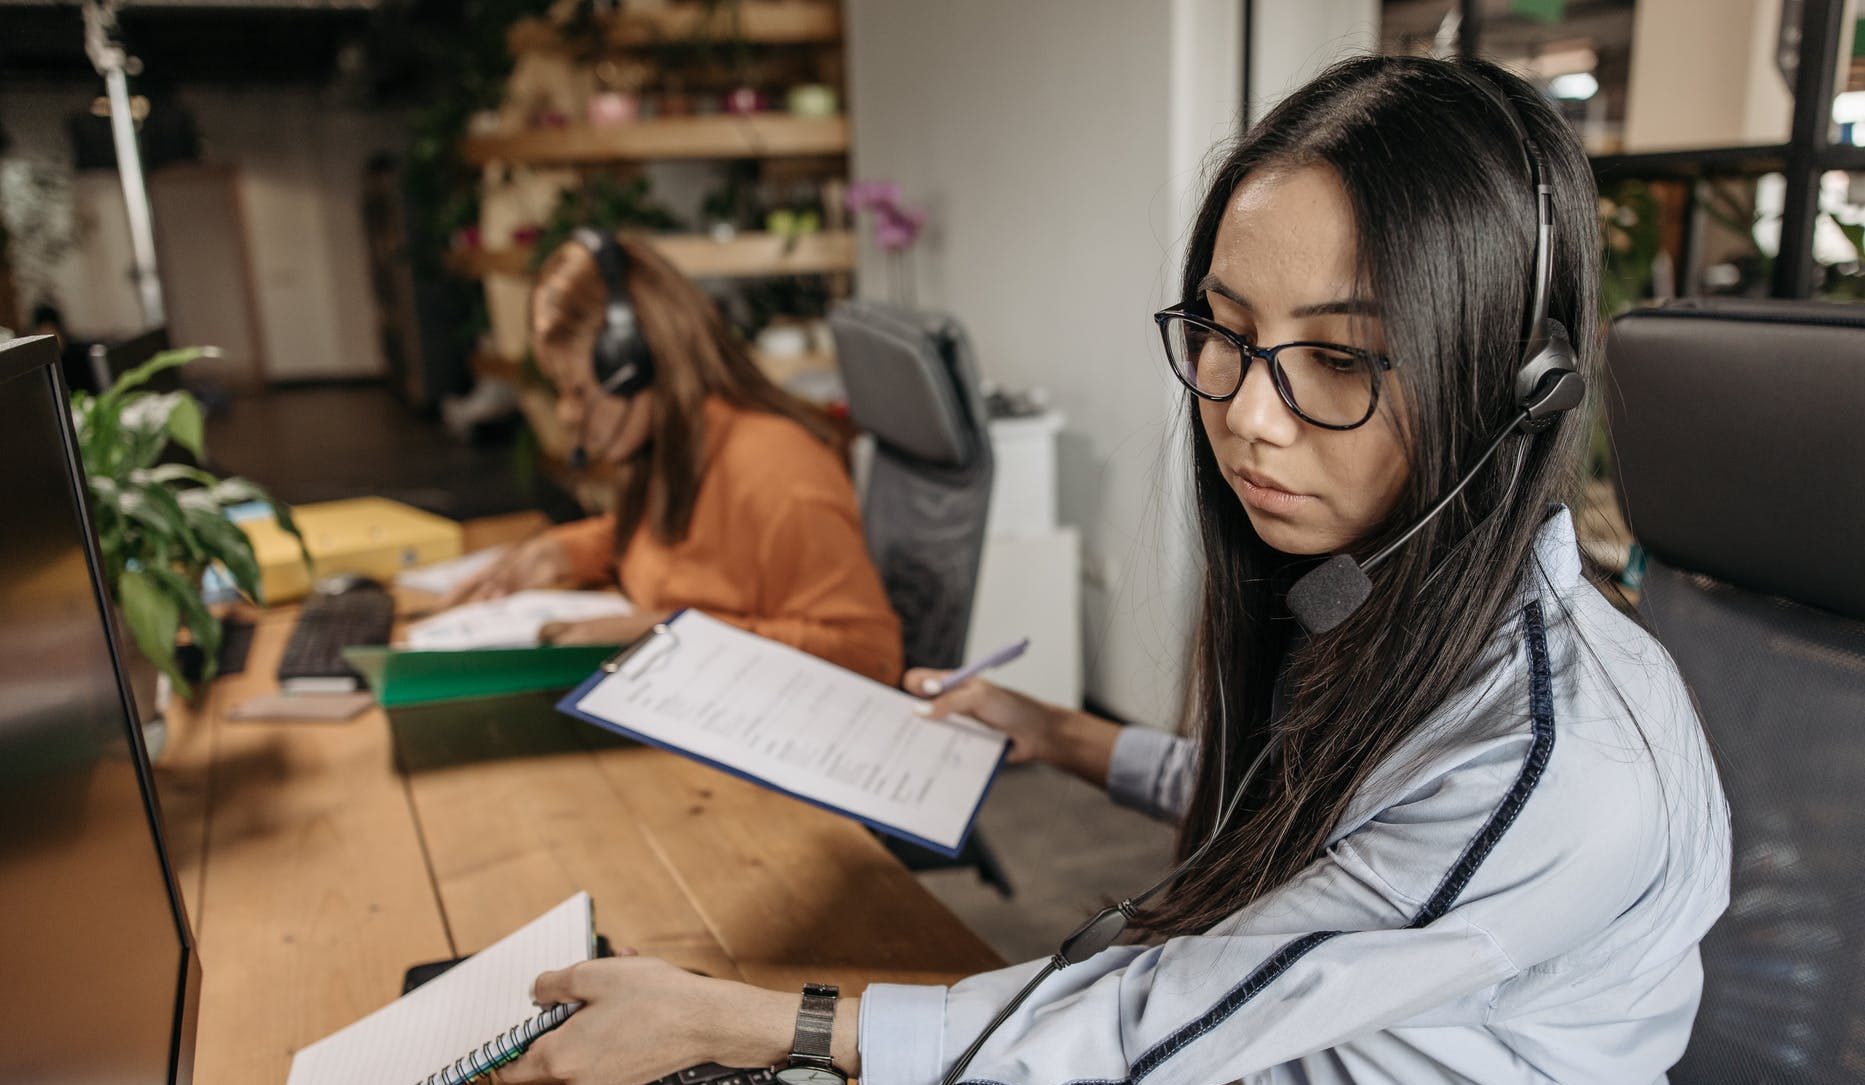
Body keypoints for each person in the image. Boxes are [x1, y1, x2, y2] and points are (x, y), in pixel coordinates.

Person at [497, 56, 1730, 1085]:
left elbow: (1175, 1012)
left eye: (1342, 360)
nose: (1247, 414)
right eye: (1227, 333)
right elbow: (1311, 820)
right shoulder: (1382, 584)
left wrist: (766, 1021)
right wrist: (1072, 738)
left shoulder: (1556, 760)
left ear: (1513, 393)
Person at [445, 232, 902, 686]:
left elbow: (869, 655)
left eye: (579, 390)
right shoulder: (674, 449)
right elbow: (664, 541)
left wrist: (667, 631)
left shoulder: (778, 470)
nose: (565, 414)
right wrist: (557, 554)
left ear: (637, 364)